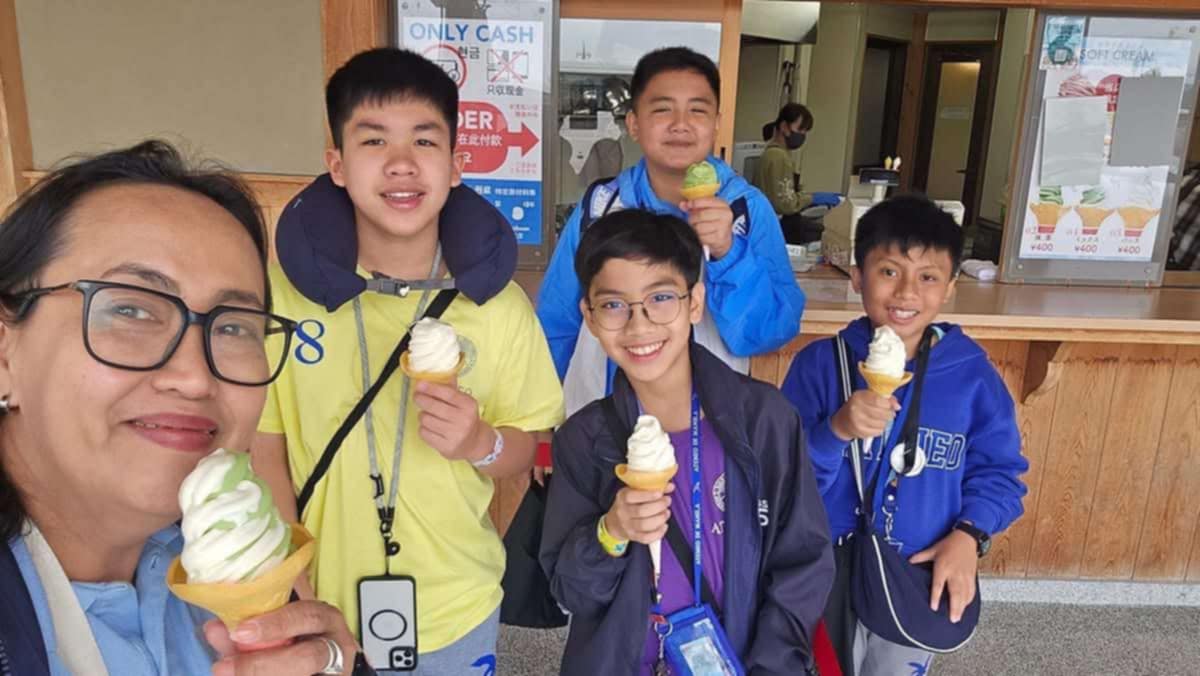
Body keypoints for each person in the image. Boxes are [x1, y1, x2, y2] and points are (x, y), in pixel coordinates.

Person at [251, 48, 563, 674]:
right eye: (373, 141)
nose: (401, 164)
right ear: (336, 164)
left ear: (456, 165)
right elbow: (266, 452)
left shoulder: (499, 308)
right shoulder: (284, 297)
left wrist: (479, 442)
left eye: (425, 141)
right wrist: (293, 585)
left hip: (458, 602)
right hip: (322, 603)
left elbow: (526, 448)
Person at [0, 140, 364, 675]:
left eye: (234, 326)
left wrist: (339, 666)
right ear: (6, 351)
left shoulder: (228, 553)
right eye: (131, 308)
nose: (196, 376)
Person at [540, 208, 834, 675]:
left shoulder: (764, 421)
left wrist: (773, 666)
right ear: (589, 318)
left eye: (660, 298)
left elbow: (803, 562)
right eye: (614, 304)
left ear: (695, 302)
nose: (639, 326)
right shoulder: (584, 439)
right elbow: (569, 591)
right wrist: (610, 533)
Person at [780, 195, 1028, 676]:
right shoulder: (819, 366)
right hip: (823, 569)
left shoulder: (971, 376)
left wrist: (969, 535)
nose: (906, 292)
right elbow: (783, 475)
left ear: (951, 287)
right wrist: (836, 431)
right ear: (857, 277)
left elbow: (1000, 473)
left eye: (928, 277)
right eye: (889, 271)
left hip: (917, 572)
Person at [538, 46, 806, 416]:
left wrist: (730, 252)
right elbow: (557, 321)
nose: (681, 123)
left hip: (709, 429)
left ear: (716, 123)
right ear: (633, 124)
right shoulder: (600, 207)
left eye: (697, 110)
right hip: (602, 422)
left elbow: (767, 332)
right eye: (663, 109)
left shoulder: (746, 209)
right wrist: (545, 418)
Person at [753, 103, 839, 245]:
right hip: (778, 229)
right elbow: (786, 204)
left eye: (806, 131)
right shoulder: (778, 157)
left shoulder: (772, 153)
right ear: (784, 127)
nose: (803, 135)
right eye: (800, 129)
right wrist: (812, 199)